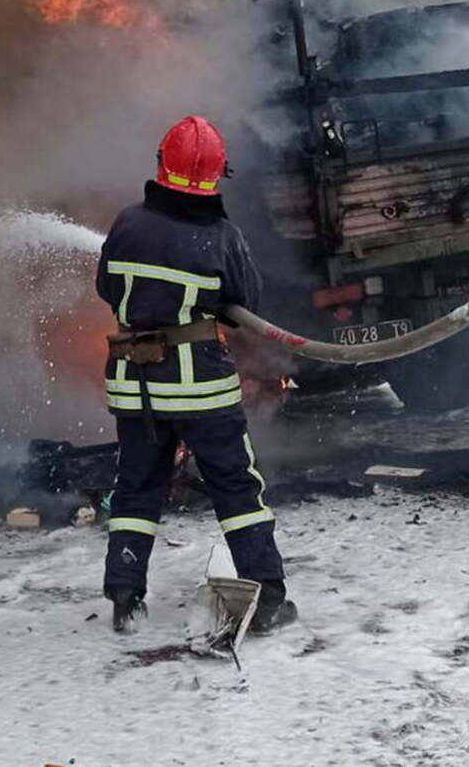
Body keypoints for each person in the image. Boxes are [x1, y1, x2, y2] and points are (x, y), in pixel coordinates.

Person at [95, 115, 295, 636]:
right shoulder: (222, 237)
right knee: (235, 486)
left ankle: (124, 596)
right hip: (198, 387)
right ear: (214, 175)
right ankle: (268, 596)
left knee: (137, 486)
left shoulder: (126, 224)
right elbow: (244, 303)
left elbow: (107, 288)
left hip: (133, 384)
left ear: (163, 164)